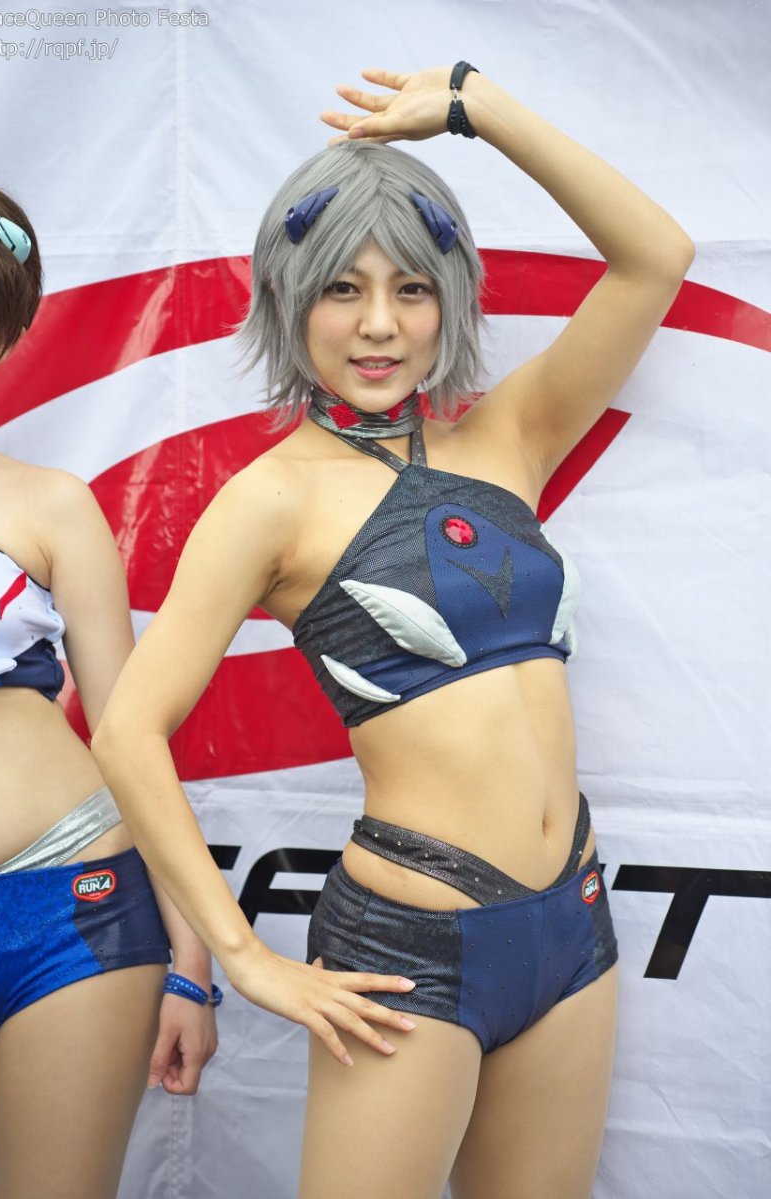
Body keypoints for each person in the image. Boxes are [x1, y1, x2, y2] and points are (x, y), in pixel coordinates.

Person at [92, 65, 694, 1199]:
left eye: (411, 288)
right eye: (342, 289)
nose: (378, 324)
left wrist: (475, 106)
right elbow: (128, 730)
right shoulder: (271, 498)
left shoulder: (510, 434)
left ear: (449, 300)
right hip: (408, 953)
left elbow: (654, 257)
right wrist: (242, 957)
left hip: (570, 926)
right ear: (290, 299)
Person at [0, 184, 217, 1199]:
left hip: (72, 907)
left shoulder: (52, 507)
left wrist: (193, 961)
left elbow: (131, 734)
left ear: (3, 338)